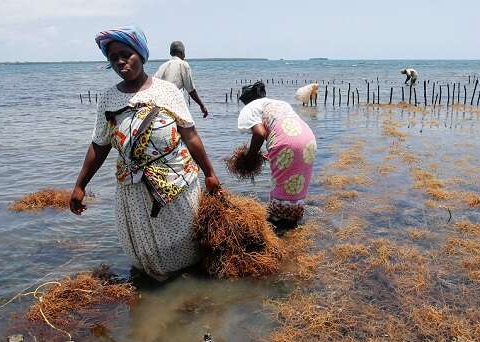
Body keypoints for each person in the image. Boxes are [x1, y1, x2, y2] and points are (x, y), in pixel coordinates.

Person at [69, 26, 220, 281]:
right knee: (146, 252)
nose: (120, 62)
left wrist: (210, 173)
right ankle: (157, 289)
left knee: (186, 244)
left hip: (176, 184)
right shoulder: (108, 98)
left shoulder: (168, 91)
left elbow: (190, 135)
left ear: (140, 54)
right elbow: (100, 144)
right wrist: (80, 185)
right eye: (113, 57)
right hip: (133, 189)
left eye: (126, 54)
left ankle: (186, 293)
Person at [237, 81, 316, 230]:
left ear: (246, 100)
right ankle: (293, 226)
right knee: (296, 184)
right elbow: (282, 127)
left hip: (285, 143)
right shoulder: (279, 103)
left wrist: (250, 156)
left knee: (279, 191)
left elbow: (260, 134)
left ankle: (278, 228)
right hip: (308, 138)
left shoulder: (249, 108)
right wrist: (270, 153)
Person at [154, 41, 208, 118]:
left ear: (171, 53)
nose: (185, 56)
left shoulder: (163, 66)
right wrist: (202, 106)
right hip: (174, 105)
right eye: (184, 52)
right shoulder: (183, 64)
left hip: (159, 105)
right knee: (190, 128)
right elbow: (191, 90)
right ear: (181, 52)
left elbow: (154, 85)